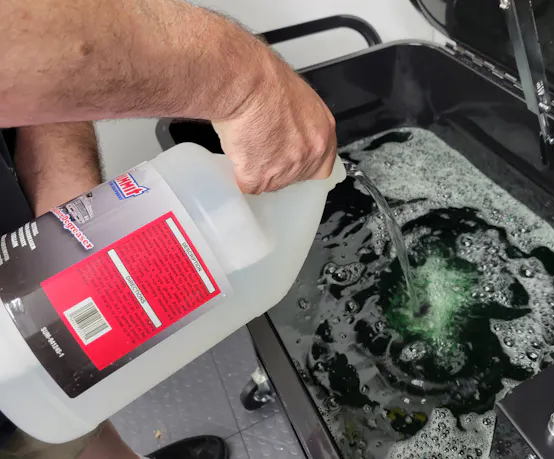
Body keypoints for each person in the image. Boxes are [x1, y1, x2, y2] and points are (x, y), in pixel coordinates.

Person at [0, 0, 338, 458]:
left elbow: (35, 73)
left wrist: (71, 223)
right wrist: (250, 84)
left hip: (25, 293)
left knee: (72, 415)